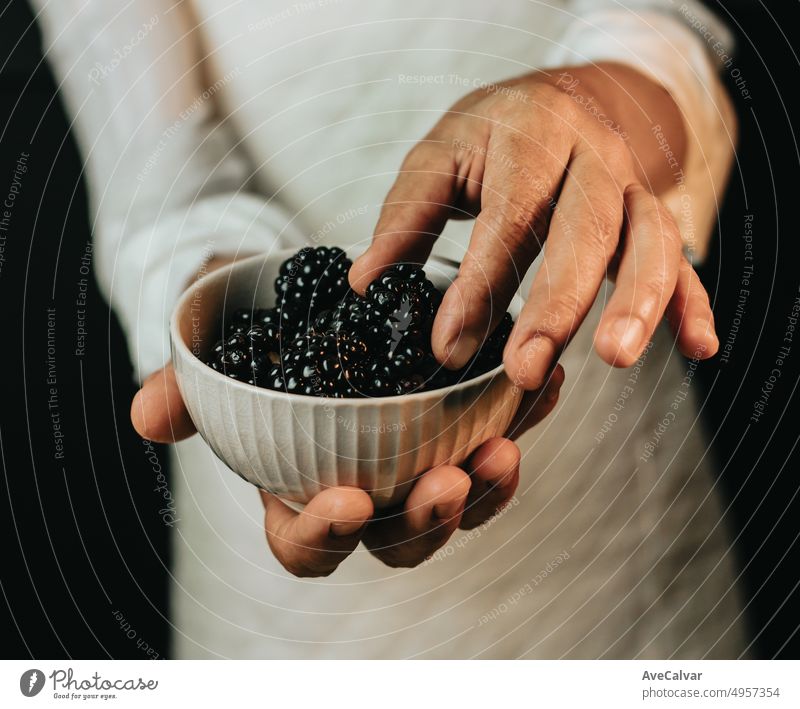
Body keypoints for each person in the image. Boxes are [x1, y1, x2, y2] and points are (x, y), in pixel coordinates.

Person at [33, 0, 745, 658]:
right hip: (271, 488)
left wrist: (596, 110)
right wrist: (216, 292)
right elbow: (143, 128)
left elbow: (658, 24)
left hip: (599, 513)